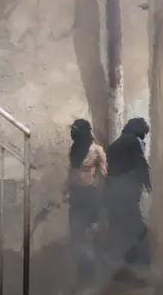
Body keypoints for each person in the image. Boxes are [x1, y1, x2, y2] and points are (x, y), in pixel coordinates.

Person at [104, 117, 152, 280]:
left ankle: (121, 271)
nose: (143, 138)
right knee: (137, 230)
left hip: (111, 193)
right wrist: (149, 184)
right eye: (143, 135)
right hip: (126, 192)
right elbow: (141, 164)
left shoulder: (112, 146)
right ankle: (137, 271)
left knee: (119, 232)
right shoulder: (134, 141)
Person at [61, 118, 107, 282]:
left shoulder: (97, 151)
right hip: (76, 197)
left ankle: (94, 278)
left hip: (90, 196)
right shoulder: (74, 150)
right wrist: (62, 193)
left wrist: (102, 201)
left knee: (91, 235)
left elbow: (104, 176)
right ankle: (84, 279)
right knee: (77, 237)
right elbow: (71, 174)